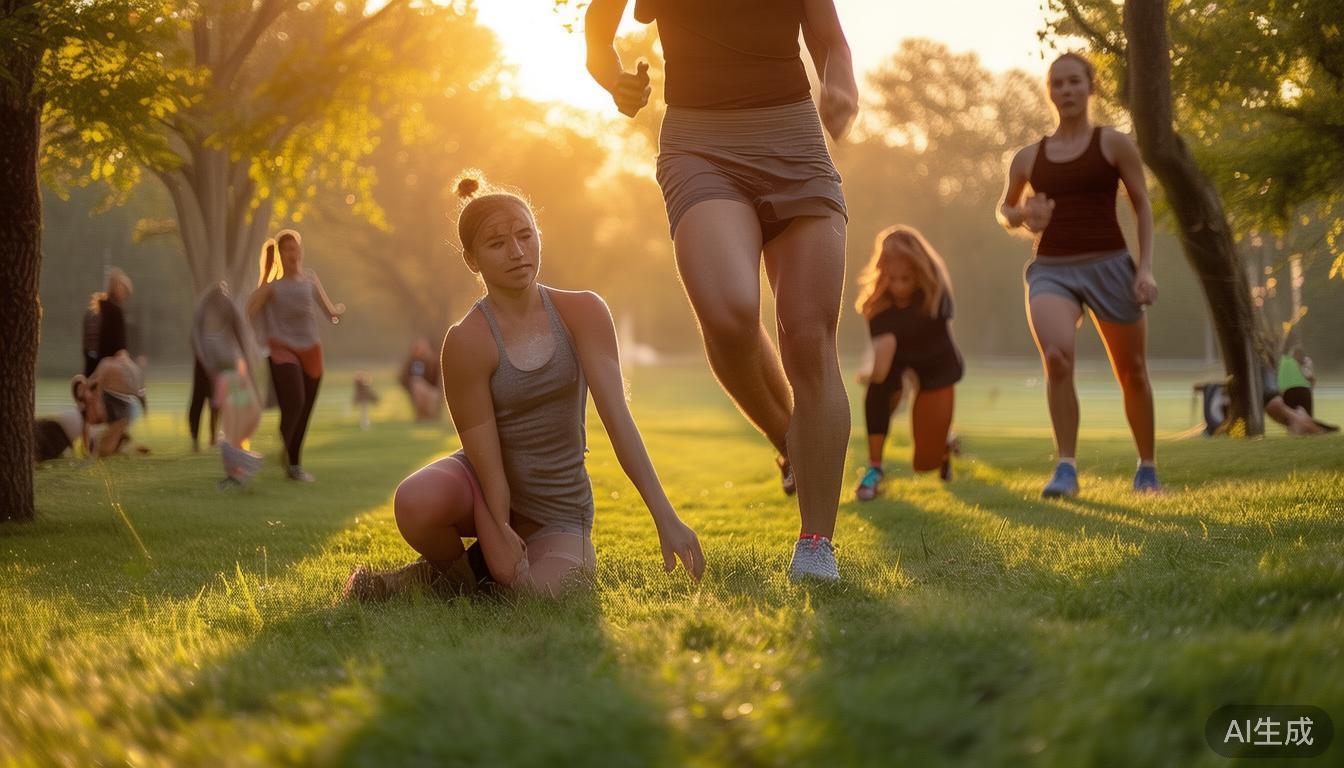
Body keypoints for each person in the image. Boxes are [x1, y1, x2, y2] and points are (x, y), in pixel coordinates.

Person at [585, 0, 858, 581]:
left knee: (809, 337)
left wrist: (842, 90)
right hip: (700, 143)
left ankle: (815, 544)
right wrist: (614, 81)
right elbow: (597, 29)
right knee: (730, 313)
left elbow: (832, 42)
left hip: (795, 140)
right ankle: (791, 438)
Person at [343, 175, 704, 601]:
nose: (517, 252)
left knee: (546, 595)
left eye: (525, 235)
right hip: (483, 486)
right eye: (496, 244)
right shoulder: (467, 341)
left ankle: (432, 582)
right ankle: (459, 579)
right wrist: (496, 523)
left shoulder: (583, 312)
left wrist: (666, 517)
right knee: (416, 501)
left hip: (560, 511)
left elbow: (618, 420)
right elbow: (484, 456)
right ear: (472, 260)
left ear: (538, 235)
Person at [998, 52, 1161, 497]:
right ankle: (1065, 469)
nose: (1066, 91)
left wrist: (1144, 268)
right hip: (1052, 269)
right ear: (1049, 92)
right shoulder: (1028, 158)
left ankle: (1147, 468)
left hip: (1111, 266)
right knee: (1057, 358)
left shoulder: (1114, 144)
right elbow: (1007, 209)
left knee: (1134, 372)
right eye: (1057, 84)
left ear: (1091, 87)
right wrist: (1024, 214)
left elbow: (1142, 204)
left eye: (1074, 82)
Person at [852, 226, 964, 500]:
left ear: (919, 274)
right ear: (882, 274)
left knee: (924, 464)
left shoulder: (936, 297)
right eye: (892, 278)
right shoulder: (876, 307)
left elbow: (927, 355)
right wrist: (873, 376)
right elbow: (882, 366)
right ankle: (875, 468)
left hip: (936, 366)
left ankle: (944, 444)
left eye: (907, 278)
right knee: (877, 390)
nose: (899, 286)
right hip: (896, 362)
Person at [246, 230, 345, 482]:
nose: (293, 253)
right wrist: (259, 337)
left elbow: (329, 311)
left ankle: (292, 458)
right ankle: (290, 454)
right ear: (280, 254)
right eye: (287, 249)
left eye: (295, 248)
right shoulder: (272, 287)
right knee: (297, 401)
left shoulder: (310, 279)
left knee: (304, 409)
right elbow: (249, 311)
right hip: (282, 348)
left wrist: (338, 312)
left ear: (301, 251)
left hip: (311, 349)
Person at [193, 282, 265, 487]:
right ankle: (236, 469)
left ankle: (239, 463)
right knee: (234, 420)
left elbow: (240, 334)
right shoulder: (208, 330)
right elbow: (201, 341)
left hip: (232, 370)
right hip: (224, 371)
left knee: (242, 417)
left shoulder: (221, 325)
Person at [71, 352, 147, 458]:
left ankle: (127, 448)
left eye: (83, 388)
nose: (84, 392)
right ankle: (128, 448)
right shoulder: (87, 408)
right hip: (115, 418)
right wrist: (86, 448)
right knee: (108, 443)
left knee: (109, 443)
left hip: (119, 414)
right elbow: (86, 428)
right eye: (80, 392)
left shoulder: (99, 390)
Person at [82, 268, 134, 377]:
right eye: (125, 290)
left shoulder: (94, 309)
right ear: (117, 288)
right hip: (108, 374)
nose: (125, 295)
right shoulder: (115, 311)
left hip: (90, 370)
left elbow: (87, 344)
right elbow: (121, 350)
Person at [399, 337, 443, 421]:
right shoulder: (410, 362)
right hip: (416, 390)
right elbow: (402, 379)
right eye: (417, 347)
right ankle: (422, 415)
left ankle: (429, 415)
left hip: (432, 391)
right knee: (416, 385)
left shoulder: (433, 361)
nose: (419, 350)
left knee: (419, 386)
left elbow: (439, 379)